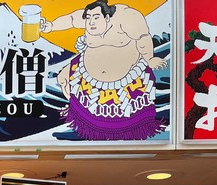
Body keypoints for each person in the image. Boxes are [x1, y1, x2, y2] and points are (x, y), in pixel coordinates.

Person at [41, 2, 167, 140]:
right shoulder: (89, 18)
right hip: (88, 72)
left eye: (96, 17)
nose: (91, 22)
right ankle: (84, 122)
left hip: (127, 75)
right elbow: (71, 19)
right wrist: (50, 26)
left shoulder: (127, 17)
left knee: (130, 120)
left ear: (107, 17)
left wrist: (149, 58)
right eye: (88, 18)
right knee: (62, 78)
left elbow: (143, 37)